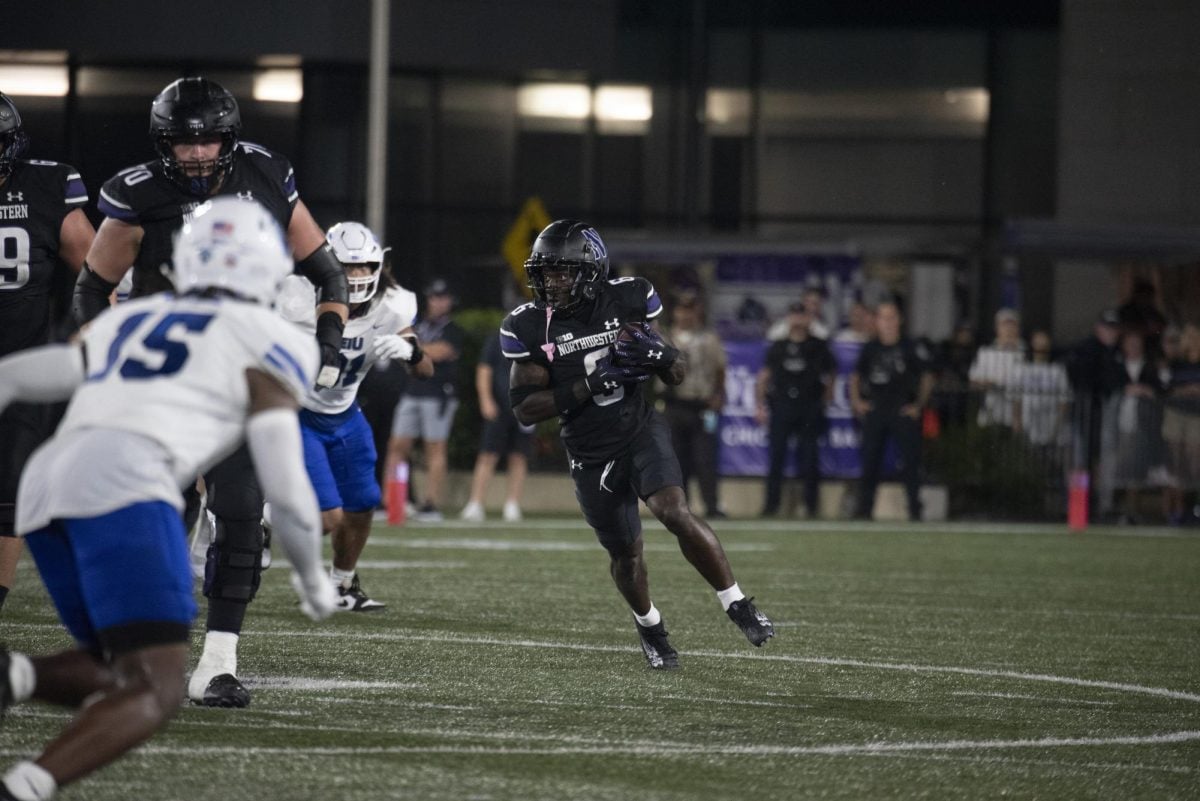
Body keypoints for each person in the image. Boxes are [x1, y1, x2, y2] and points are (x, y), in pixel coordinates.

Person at [0, 198, 335, 801]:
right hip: (129, 476)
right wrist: (314, 580)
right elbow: (284, 487)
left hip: (47, 481)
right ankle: (25, 788)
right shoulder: (271, 336)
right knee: (158, 687)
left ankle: (13, 675)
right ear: (268, 268)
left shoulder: (134, 316)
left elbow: (27, 375)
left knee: (117, 664)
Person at [73, 76, 349, 708]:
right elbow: (92, 286)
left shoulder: (267, 174)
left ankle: (217, 662)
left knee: (245, 512)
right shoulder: (138, 192)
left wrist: (328, 346)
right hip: (163, 379)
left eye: (209, 141)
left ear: (231, 137)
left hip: (239, 370)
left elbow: (326, 270)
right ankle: (133, 651)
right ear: (162, 143)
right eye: (183, 142)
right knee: (154, 517)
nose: (197, 153)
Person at [501, 219, 773, 670]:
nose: (553, 282)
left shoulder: (629, 298)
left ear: (592, 269)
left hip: (639, 427)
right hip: (589, 451)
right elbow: (526, 409)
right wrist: (589, 385)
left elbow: (676, 373)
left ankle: (738, 603)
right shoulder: (530, 325)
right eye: (546, 272)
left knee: (673, 510)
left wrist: (665, 357)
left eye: (563, 272)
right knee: (626, 554)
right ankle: (650, 627)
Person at [276, 222, 433, 610]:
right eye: (348, 266)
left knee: (363, 503)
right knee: (328, 518)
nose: (358, 275)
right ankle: (262, 511)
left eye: (365, 266)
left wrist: (410, 351)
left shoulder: (394, 303)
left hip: (345, 413)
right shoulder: (295, 297)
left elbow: (425, 369)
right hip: (301, 411)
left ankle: (342, 586)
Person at [0, 93, 95, 614]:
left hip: (23, 361)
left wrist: (88, 334)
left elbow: (97, 270)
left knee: (9, 492)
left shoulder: (45, 185)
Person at [385, 279, 463, 522]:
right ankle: (392, 502)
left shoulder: (453, 329)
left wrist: (413, 348)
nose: (439, 302)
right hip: (412, 391)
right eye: (435, 297)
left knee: (434, 448)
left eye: (443, 298)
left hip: (438, 395)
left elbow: (441, 351)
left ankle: (431, 504)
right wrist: (417, 349)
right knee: (397, 447)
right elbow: (404, 348)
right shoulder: (418, 323)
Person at [850, 298, 935, 521]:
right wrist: (857, 401)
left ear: (899, 320)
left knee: (911, 463)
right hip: (876, 410)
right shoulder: (871, 347)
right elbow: (856, 377)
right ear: (877, 321)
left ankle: (915, 510)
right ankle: (864, 510)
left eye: (891, 317)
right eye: (882, 317)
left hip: (902, 411)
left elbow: (927, 375)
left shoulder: (910, 347)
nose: (886, 322)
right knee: (869, 462)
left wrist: (918, 405)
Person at [755, 301, 834, 518]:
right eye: (795, 315)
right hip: (782, 406)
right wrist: (760, 404)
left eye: (803, 316)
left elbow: (831, 374)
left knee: (809, 458)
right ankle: (771, 506)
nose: (798, 320)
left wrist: (826, 398)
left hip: (809, 406)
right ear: (789, 318)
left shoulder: (818, 346)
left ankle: (811, 506)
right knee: (776, 458)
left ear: (808, 319)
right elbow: (763, 377)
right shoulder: (778, 346)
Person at [660, 291, 727, 518]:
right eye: (682, 310)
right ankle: (681, 507)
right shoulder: (666, 338)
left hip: (703, 406)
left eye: (690, 310)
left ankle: (712, 505)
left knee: (705, 458)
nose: (686, 315)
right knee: (678, 459)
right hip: (676, 404)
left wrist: (718, 395)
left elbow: (720, 370)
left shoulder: (709, 338)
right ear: (675, 312)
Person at [460, 331, 535, 523]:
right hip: (499, 406)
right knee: (488, 454)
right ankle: (475, 503)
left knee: (519, 456)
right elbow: (484, 369)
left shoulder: (536, 339)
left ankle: (512, 504)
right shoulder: (497, 339)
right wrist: (485, 400)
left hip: (525, 407)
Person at [1064, 309, 1124, 520]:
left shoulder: (1115, 352)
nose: (1111, 333)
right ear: (1099, 328)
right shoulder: (1087, 349)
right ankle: (1078, 508)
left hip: (1102, 416)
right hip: (1085, 415)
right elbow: (1079, 378)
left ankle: (1098, 506)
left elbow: (1117, 382)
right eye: (1108, 328)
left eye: (1114, 329)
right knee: (1081, 462)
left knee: (1102, 462)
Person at [1163, 323, 1200, 525]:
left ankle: (1192, 505)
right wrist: (1184, 390)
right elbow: (1167, 387)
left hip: (1196, 415)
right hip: (1176, 413)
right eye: (1188, 337)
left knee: (1195, 460)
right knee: (1176, 461)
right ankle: (1177, 509)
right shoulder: (1177, 362)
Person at [968, 307, 1026, 428]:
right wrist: (990, 384)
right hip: (991, 412)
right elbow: (973, 380)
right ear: (997, 328)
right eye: (1005, 325)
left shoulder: (1026, 353)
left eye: (1012, 325)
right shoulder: (985, 352)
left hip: (1019, 416)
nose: (1009, 329)